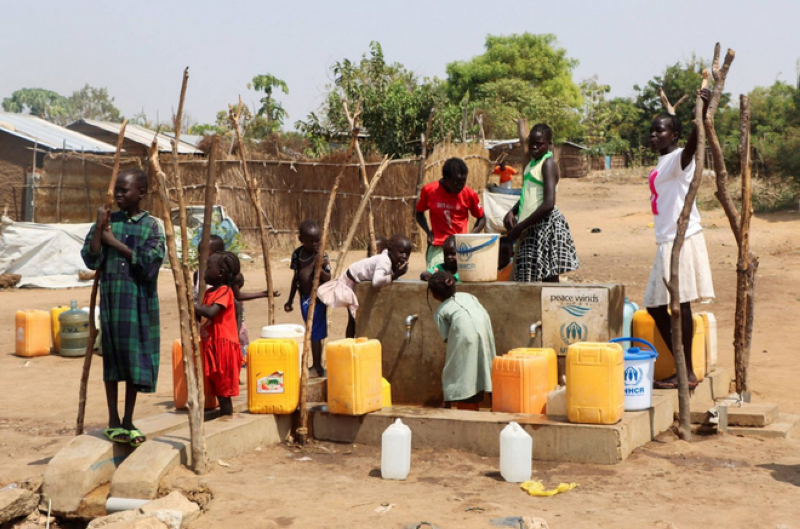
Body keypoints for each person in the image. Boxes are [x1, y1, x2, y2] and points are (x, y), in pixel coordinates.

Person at [81, 168, 165, 447]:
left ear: (141, 193)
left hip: (139, 302)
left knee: (133, 360)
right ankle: (113, 419)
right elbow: (91, 258)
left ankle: (128, 419)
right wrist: (99, 227)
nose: (118, 194)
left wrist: (114, 242)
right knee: (112, 360)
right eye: (117, 189)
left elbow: (150, 263)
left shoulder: (152, 225)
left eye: (124, 190)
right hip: (113, 302)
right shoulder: (108, 221)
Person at [645, 88, 714, 390]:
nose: (653, 136)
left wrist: (702, 116)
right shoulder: (661, 163)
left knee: (679, 304)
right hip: (666, 240)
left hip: (681, 239)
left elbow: (690, 150)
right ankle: (683, 367)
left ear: (673, 135)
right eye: (651, 131)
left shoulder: (676, 159)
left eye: (659, 131)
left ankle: (685, 371)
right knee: (657, 305)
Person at [504, 124, 580, 282]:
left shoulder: (548, 164)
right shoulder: (531, 166)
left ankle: (552, 306)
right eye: (532, 143)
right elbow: (528, 194)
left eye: (539, 144)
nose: (534, 147)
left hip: (545, 225)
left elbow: (548, 203)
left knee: (547, 274)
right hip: (531, 225)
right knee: (531, 275)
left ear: (549, 144)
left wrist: (520, 226)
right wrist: (512, 211)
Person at [318, 233, 411, 338]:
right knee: (354, 319)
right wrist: (395, 275)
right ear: (390, 249)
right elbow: (376, 281)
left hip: (357, 281)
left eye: (407, 254)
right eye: (401, 252)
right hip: (350, 282)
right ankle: (350, 344)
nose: (404, 256)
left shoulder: (390, 259)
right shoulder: (384, 261)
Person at [428, 271, 496, 411]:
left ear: (435, 294)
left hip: (464, 334)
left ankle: (448, 401)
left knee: (457, 367)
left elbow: (448, 338)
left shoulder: (441, 312)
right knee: (487, 363)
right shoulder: (469, 296)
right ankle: (495, 403)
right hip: (484, 328)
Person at [415, 157, 486, 270]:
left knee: (460, 282)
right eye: (456, 182)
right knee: (437, 280)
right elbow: (418, 213)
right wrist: (428, 232)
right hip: (438, 246)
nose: (460, 186)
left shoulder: (469, 194)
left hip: (460, 246)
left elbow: (482, 218)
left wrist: (470, 236)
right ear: (446, 179)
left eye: (463, 182)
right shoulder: (429, 191)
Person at [194, 251, 242, 415]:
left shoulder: (224, 291)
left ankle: (226, 416)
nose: (205, 272)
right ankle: (223, 413)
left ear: (220, 273)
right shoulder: (209, 293)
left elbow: (211, 312)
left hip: (224, 347)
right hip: (213, 345)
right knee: (217, 386)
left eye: (208, 268)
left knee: (223, 390)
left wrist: (193, 305)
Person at [285, 220, 331, 378]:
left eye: (318, 240)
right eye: (311, 241)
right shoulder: (297, 254)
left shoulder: (322, 255)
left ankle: (317, 366)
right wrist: (290, 300)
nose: (315, 244)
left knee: (315, 333)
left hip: (317, 300)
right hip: (303, 298)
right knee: (310, 332)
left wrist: (319, 266)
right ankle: (316, 365)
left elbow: (328, 278)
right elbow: (295, 277)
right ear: (301, 240)